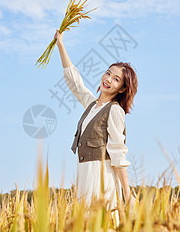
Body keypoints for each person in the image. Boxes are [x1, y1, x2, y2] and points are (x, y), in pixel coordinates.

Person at [54, 29, 137, 225]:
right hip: (84, 175)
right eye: (108, 73)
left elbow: (118, 153)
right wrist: (60, 45)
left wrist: (127, 193)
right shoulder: (92, 105)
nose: (108, 79)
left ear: (123, 89)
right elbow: (75, 83)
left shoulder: (114, 111)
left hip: (101, 178)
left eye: (116, 79)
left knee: (99, 224)